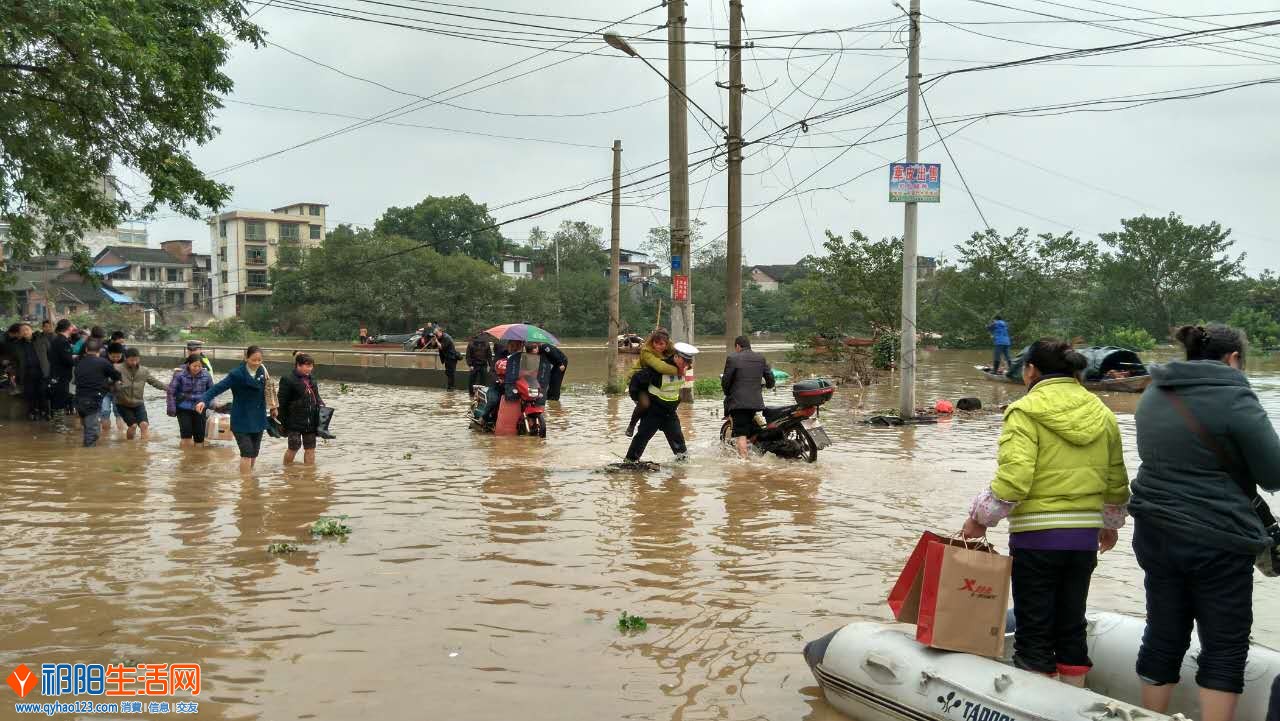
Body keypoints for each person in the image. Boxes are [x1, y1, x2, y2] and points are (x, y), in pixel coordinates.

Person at [1129, 324, 1280, 721]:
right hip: (1217, 539)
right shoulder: (1234, 396)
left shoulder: (1154, 392)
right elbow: (1274, 473)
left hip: (1153, 530)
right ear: (1233, 360)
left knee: (1163, 632)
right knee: (1225, 644)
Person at [961, 338, 1129, 687]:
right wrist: (1109, 525)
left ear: (1032, 370)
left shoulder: (1024, 411)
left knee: (1034, 629)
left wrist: (979, 519)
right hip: (1083, 540)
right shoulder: (1102, 412)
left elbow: (1014, 481)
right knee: (1071, 623)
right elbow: (1117, 479)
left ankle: (1039, 700)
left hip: (1038, 538)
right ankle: (1074, 696)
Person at [197, 346, 273, 473]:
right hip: (241, 419)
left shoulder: (263, 372)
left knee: (254, 452)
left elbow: (269, 392)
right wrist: (203, 400)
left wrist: (274, 408)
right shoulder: (236, 374)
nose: (257, 363)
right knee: (246, 452)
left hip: (258, 417)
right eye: (254, 360)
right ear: (246, 358)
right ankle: (245, 485)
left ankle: (251, 480)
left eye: (259, 360)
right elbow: (217, 388)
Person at [624, 334, 692, 463]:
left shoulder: (686, 368)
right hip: (654, 410)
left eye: (688, 362)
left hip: (670, 411)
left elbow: (686, 382)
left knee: (679, 441)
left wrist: (684, 369)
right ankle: (630, 462)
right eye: (683, 361)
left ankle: (683, 465)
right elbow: (638, 380)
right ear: (676, 357)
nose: (685, 364)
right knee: (642, 437)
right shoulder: (657, 368)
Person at [721, 335, 775, 459]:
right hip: (756, 402)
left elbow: (726, 381)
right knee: (753, 427)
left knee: (741, 434)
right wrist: (768, 386)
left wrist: (728, 393)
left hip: (739, 403)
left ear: (738, 346)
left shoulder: (732, 358)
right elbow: (770, 379)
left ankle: (744, 465)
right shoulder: (760, 358)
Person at [625, 329, 680, 438]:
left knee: (676, 399)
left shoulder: (671, 348)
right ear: (652, 342)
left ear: (667, 343)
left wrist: (684, 363)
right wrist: (680, 370)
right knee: (645, 404)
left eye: (661, 344)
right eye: (656, 343)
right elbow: (661, 367)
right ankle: (631, 425)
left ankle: (647, 424)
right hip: (639, 381)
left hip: (654, 382)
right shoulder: (646, 351)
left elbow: (684, 359)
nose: (658, 346)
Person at [277, 353, 325, 466]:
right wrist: (282, 422)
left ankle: (309, 474)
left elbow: (316, 397)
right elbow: (281, 402)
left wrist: (321, 406)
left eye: (311, 366)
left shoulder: (312, 379)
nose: (309, 369)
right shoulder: (287, 379)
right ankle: (287, 470)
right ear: (298, 365)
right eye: (307, 366)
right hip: (294, 422)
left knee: (310, 448)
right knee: (293, 447)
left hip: (310, 420)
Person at [72, 338, 121, 447]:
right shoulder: (103, 363)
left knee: (89, 429)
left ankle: (85, 456)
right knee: (92, 433)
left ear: (86, 349)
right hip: (92, 401)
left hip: (78, 400)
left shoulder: (79, 362)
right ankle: (88, 459)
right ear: (100, 351)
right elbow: (117, 375)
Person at [114, 347, 169, 440]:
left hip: (138, 403)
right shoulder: (117, 368)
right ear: (125, 358)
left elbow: (154, 382)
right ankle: (130, 447)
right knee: (133, 426)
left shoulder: (144, 371)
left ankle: (143, 450)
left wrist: (168, 388)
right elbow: (107, 382)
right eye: (131, 360)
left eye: (136, 360)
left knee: (144, 425)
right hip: (123, 403)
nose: (134, 362)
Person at [168, 353, 213, 447]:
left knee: (199, 438)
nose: (197, 368)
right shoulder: (179, 375)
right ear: (189, 364)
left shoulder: (206, 375)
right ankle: (185, 459)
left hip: (200, 408)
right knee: (186, 436)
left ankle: (197, 460)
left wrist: (210, 404)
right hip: (183, 407)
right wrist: (171, 408)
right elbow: (171, 392)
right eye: (194, 366)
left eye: (199, 366)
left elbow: (211, 391)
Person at [48, 319, 76, 428]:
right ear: (68, 328)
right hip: (61, 375)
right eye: (71, 325)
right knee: (60, 398)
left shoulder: (56, 340)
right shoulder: (62, 341)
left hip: (56, 373)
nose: (73, 327)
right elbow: (67, 360)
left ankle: (58, 424)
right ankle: (59, 425)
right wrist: (76, 360)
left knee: (58, 397)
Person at [100, 342, 127, 432]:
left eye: (118, 356)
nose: (116, 359)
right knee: (104, 412)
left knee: (119, 413)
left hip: (119, 392)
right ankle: (105, 435)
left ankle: (121, 434)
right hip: (105, 391)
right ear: (108, 354)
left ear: (122, 354)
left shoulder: (126, 362)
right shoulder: (102, 361)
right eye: (113, 356)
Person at [434, 326, 460, 390]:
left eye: (436, 333)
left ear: (440, 332)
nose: (436, 335)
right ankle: (450, 387)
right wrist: (434, 340)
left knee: (451, 373)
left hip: (451, 358)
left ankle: (451, 388)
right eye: (435, 334)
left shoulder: (446, 337)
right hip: (447, 358)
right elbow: (434, 346)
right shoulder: (441, 337)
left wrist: (436, 341)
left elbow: (442, 347)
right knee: (448, 373)